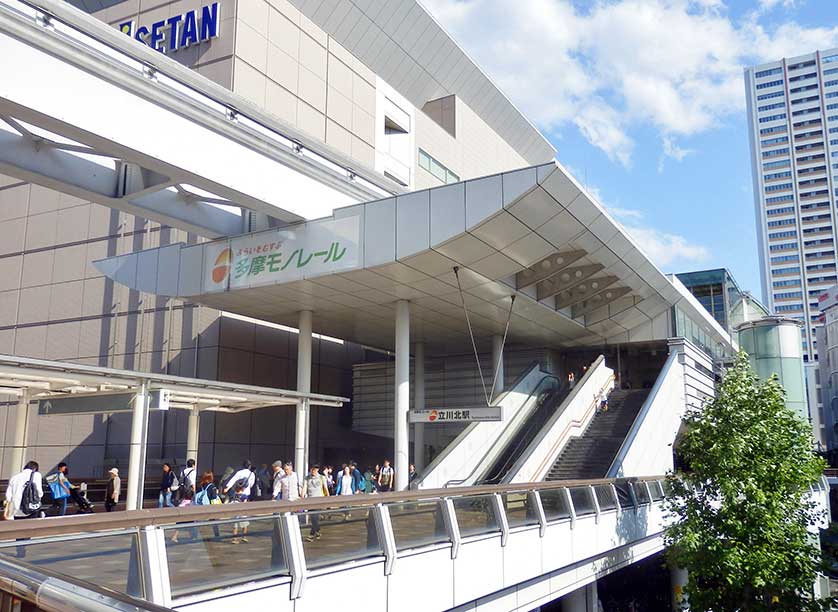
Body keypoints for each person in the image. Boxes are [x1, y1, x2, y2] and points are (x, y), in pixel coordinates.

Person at [301, 465, 329, 541]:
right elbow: (304, 488)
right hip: (310, 500)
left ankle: (311, 535)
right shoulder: (307, 478)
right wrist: (302, 497)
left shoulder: (321, 478)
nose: (313, 471)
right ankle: (318, 531)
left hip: (319, 500)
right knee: (313, 518)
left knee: (315, 517)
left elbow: (325, 488)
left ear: (317, 470)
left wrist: (328, 499)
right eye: (312, 469)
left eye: (315, 469)